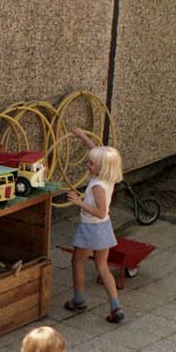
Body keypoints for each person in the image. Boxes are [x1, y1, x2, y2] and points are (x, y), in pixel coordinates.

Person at [63, 128, 124, 322]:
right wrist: (82, 136)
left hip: (91, 228)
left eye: (91, 163)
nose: (87, 164)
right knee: (102, 267)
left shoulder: (98, 186)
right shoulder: (108, 176)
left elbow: (100, 211)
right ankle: (116, 306)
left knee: (77, 261)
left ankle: (78, 299)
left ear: (100, 167)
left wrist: (78, 201)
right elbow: (97, 152)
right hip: (104, 228)